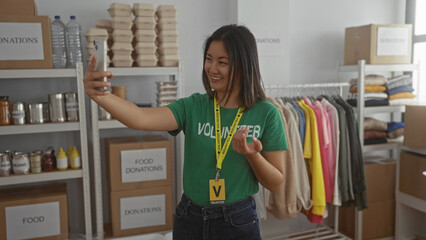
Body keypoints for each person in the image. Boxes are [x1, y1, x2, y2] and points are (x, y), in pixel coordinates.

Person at [84, 24, 288, 240]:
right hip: (190, 217)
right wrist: (100, 96)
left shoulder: (267, 114)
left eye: (222, 62)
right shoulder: (193, 106)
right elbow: (141, 118)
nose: (212, 68)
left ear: (244, 65)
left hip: (237, 220)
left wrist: (251, 154)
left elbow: (276, 182)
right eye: (209, 59)